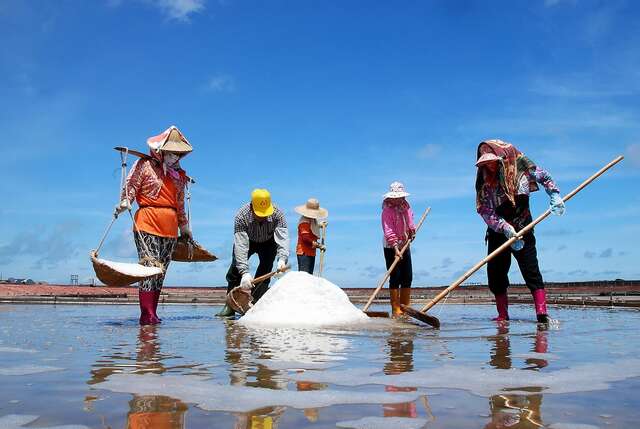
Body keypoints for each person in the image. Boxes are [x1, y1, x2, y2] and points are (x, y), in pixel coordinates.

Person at [475, 139, 565, 323]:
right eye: (484, 163)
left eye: (491, 162)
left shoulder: (522, 169)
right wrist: (504, 227)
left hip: (523, 226)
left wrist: (554, 194)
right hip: (497, 230)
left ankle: (542, 314)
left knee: (531, 269)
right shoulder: (483, 181)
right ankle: (502, 315)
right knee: (496, 274)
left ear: (501, 158)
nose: (488, 166)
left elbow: (545, 177)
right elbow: (484, 209)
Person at [115, 125, 193, 325]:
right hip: (147, 220)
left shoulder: (179, 176)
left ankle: (153, 312)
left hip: (170, 225)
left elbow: (180, 203)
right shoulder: (144, 165)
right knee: (149, 266)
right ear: (161, 150)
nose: (175, 158)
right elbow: (131, 184)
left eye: (178, 155)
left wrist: (184, 228)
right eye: (171, 153)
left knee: (161, 270)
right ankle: (146, 313)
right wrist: (126, 201)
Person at [216, 189, 289, 317]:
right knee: (234, 270)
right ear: (251, 207)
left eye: (265, 214)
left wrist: (282, 260)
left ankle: (254, 305)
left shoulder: (278, 215)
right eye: (259, 214)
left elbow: (283, 239)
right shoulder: (241, 216)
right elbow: (241, 246)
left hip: (269, 241)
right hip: (247, 240)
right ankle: (230, 306)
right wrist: (244, 272)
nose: (262, 216)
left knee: (266, 270)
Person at [381, 182, 416, 317]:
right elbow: (388, 230)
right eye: (395, 197)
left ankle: (405, 308)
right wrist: (395, 248)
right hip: (390, 246)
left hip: (404, 243)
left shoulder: (406, 207)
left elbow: (410, 221)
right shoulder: (386, 211)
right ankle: (396, 309)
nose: (397, 200)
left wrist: (411, 231)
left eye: (399, 197)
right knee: (395, 276)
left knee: (407, 276)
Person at [294, 198, 328, 275]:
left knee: (309, 276)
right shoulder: (304, 221)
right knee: (304, 277)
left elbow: (313, 227)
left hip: (311, 252)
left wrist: (320, 225)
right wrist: (319, 245)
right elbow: (305, 238)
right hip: (304, 253)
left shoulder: (311, 220)